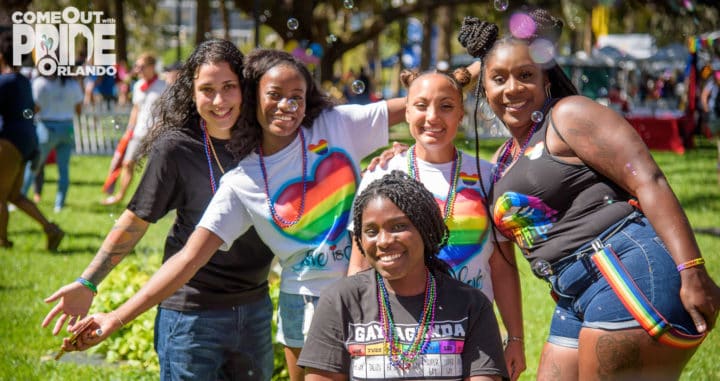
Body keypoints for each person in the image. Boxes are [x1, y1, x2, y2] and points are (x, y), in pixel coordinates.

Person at [60, 48, 406, 381]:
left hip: (369, 291)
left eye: (296, 96)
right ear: (254, 97)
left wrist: (409, 154)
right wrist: (115, 315)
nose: (286, 105)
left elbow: (426, 109)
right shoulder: (242, 181)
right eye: (274, 95)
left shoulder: (334, 125)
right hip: (300, 303)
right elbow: (188, 258)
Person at [458, 9, 720, 380]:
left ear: (546, 81)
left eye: (526, 75)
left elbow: (650, 180)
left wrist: (693, 271)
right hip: (573, 292)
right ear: (484, 88)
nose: (512, 88)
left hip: (625, 269)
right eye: (498, 79)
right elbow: (435, 107)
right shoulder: (502, 159)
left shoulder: (569, 116)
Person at [42, 39, 277, 380]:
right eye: (206, 89)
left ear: (245, 87)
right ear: (191, 93)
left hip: (255, 309)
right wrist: (88, 282)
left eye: (229, 87)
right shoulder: (177, 147)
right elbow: (136, 221)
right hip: (191, 318)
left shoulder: (268, 141)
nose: (219, 101)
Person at [348, 69, 525, 379]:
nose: (433, 117)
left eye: (445, 106)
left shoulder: (488, 176)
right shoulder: (382, 174)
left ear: (461, 112)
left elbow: (502, 264)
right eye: (421, 105)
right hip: (399, 329)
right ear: (406, 112)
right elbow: (360, 264)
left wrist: (515, 338)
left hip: (473, 327)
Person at [298, 171, 508, 380]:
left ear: (426, 230)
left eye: (398, 227)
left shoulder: (470, 305)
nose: (383, 241)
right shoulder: (340, 301)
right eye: (371, 231)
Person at [0, 31, 64, 251]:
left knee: (1, 195)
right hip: (28, 138)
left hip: (9, 140)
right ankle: (51, 229)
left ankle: (2, 241)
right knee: (14, 196)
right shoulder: (24, 82)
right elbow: (31, 109)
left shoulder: (4, 82)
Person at [101, 53, 167, 206]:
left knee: (153, 169)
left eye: (141, 66)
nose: (138, 70)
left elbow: (167, 111)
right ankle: (120, 196)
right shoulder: (138, 86)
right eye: (136, 66)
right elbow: (136, 109)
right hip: (138, 132)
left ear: (151, 67)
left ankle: (152, 200)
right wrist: (130, 129)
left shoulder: (163, 86)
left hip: (156, 135)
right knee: (128, 163)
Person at [20, 73, 84, 212]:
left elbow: (34, 108)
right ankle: (59, 205)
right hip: (67, 128)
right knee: (63, 169)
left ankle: (19, 198)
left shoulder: (39, 83)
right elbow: (78, 110)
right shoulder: (73, 84)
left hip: (46, 128)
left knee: (33, 166)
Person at [700, 70, 720, 183]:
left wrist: (706, 108)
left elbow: (704, 95)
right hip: (715, 116)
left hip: (714, 116)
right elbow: (704, 96)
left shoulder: (711, 83)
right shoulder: (712, 83)